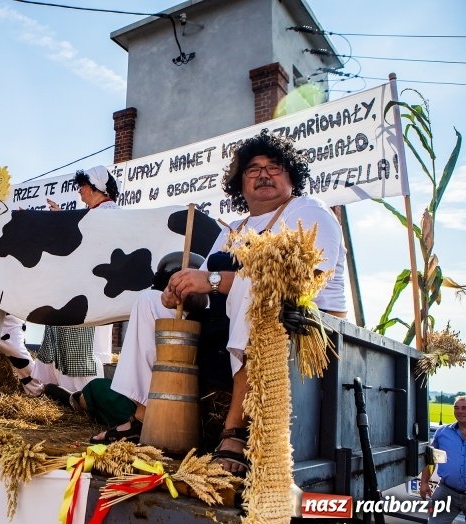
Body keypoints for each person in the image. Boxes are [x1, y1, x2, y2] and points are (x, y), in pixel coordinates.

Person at [91, 131, 347, 468]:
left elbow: (296, 285)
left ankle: (235, 430)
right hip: (229, 324)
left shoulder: (308, 212)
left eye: (275, 167)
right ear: (240, 184)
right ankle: (144, 415)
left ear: (292, 177)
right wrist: (180, 294)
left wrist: (209, 279)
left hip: (300, 327)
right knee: (148, 302)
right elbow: (208, 297)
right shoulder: (233, 230)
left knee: (255, 286)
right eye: (253, 169)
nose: (264, 174)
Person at [35, 166, 120, 395]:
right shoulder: (96, 213)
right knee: (60, 327)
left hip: (93, 289)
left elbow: (89, 243)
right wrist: (60, 216)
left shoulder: (110, 213)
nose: (79, 193)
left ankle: (82, 393)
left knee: (80, 339)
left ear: (94, 189)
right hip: (80, 285)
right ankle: (61, 389)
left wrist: (62, 219)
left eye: (82, 187)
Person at [420, 395, 466, 524]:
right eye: (456, 408)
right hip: (447, 492)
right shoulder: (443, 432)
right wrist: (424, 482)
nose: (460, 411)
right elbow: (430, 459)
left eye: (464, 408)